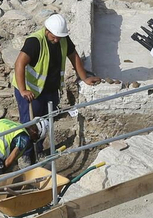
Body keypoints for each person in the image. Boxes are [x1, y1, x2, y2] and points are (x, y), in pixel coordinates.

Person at [10, 14, 97, 158]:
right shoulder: (35, 42)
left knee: (44, 124)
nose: (56, 40)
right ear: (47, 30)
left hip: (50, 89)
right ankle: (26, 157)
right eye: (54, 36)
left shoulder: (63, 39)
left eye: (59, 37)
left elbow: (74, 57)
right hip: (31, 91)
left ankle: (38, 151)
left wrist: (85, 78)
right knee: (30, 125)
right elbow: (19, 63)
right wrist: (23, 89)